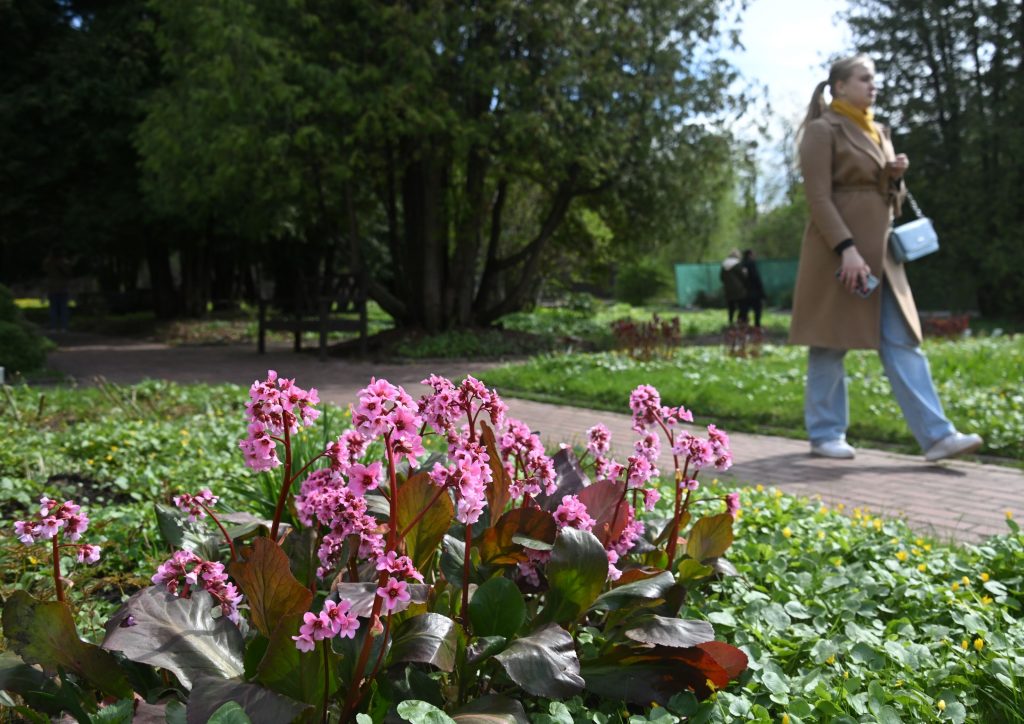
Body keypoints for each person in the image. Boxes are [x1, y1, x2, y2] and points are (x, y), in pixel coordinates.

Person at [789, 53, 982, 463]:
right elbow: (819, 199)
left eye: (873, 79)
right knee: (829, 342)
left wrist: (893, 178)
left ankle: (937, 436)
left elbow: (890, 205)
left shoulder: (879, 131)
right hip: (837, 255)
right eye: (864, 79)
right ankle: (825, 434)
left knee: (902, 341)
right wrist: (847, 250)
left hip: (882, 256)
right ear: (840, 85)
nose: (872, 86)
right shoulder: (823, 131)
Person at [43, 249, 72, 332]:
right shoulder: (65, 262)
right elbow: (69, 273)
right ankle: (64, 327)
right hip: (63, 288)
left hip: (52, 288)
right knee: (63, 309)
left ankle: (53, 327)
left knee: (53, 309)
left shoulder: (49, 263)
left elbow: (45, 269)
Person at [738, 249, 766, 328]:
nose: (755, 256)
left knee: (743, 310)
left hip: (743, 291)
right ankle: (757, 326)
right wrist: (762, 293)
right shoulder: (751, 264)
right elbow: (756, 278)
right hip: (753, 291)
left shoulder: (741, 264)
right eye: (754, 255)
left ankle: (743, 327)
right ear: (750, 255)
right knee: (757, 309)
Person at [719, 249, 746, 325]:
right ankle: (740, 321)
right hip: (739, 289)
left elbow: (721, 277)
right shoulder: (738, 264)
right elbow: (743, 276)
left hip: (728, 289)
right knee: (742, 305)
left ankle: (730, 321)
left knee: (731, 306)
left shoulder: (724, 265)